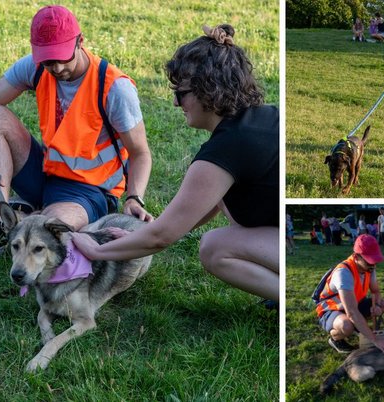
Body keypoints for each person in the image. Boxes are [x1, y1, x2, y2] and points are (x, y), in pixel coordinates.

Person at [71, 24, 279, 303]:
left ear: (207, 90)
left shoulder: (225, 150)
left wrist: (96, 250)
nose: (174, 103)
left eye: (180, 94)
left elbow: (162, 236)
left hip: (285, 243)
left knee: (215, 247)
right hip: (279, 234)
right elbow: (199, 207)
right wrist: (141, 233)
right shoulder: (264, 117)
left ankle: (286, 293)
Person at [0, 5, 153, 258]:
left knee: (48, 231)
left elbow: (140, 153)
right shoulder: (36, 68)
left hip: (90, 191)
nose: (56, 68)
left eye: (61, 57)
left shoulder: (115, 88)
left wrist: (134, 197)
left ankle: (28, 215)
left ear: (80, 42)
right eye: (47, 60)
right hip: (46, 173)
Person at [315, 234, 384, 354]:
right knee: (346, 326)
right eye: (369, 262)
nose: (373, 266)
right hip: (332, 308)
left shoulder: (369, 268)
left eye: (375, 261)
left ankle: (359, 326)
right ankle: (335, 338)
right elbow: (351, 312)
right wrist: (375, 340)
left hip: (354, 304)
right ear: (356, 257)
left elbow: (376, 291)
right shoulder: (343, 273)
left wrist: (377, 305)